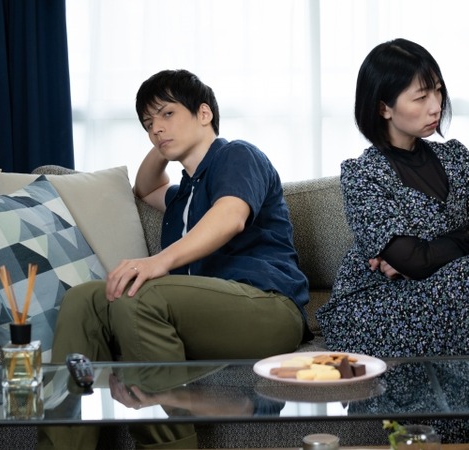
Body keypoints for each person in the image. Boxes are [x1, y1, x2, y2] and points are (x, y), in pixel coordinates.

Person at [37, 69, 311, 449]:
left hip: (267, 308)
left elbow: (231, 216)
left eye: (167, 113)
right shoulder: (182, 195)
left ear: (204, 113)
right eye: (148, 124)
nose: (155, 129)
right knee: (83, 299)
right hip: (200, 316)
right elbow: (145, 186)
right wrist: (168, 139)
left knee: (139, 295)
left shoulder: (237, 155)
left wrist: (158, 262)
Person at [316, 38, 469, 440]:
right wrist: (462, 239)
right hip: (378, 305)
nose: (436, 106)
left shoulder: (457, 158)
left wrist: (428, 251)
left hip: (460, 289)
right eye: (420, 97)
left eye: (437, 91)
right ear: (383, 107)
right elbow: (416, 261)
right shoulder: (363, 175)